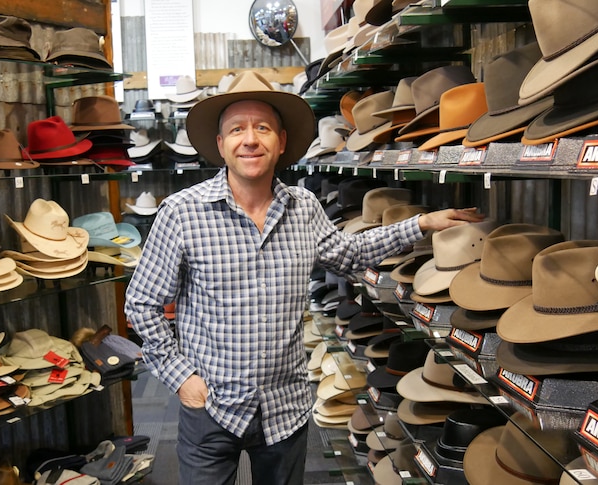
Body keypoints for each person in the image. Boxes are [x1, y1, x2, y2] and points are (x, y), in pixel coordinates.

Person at [124, 71, 484, 485]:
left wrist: (420, 224)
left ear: (280, 142)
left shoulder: (305, 208)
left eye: (262, 128)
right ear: (221, 145)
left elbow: (349, 253)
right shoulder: (181, 213)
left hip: (284, 407)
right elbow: (142, 304)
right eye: (236, 129)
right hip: (211, 407)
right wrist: (181, 377)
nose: (250, 139)